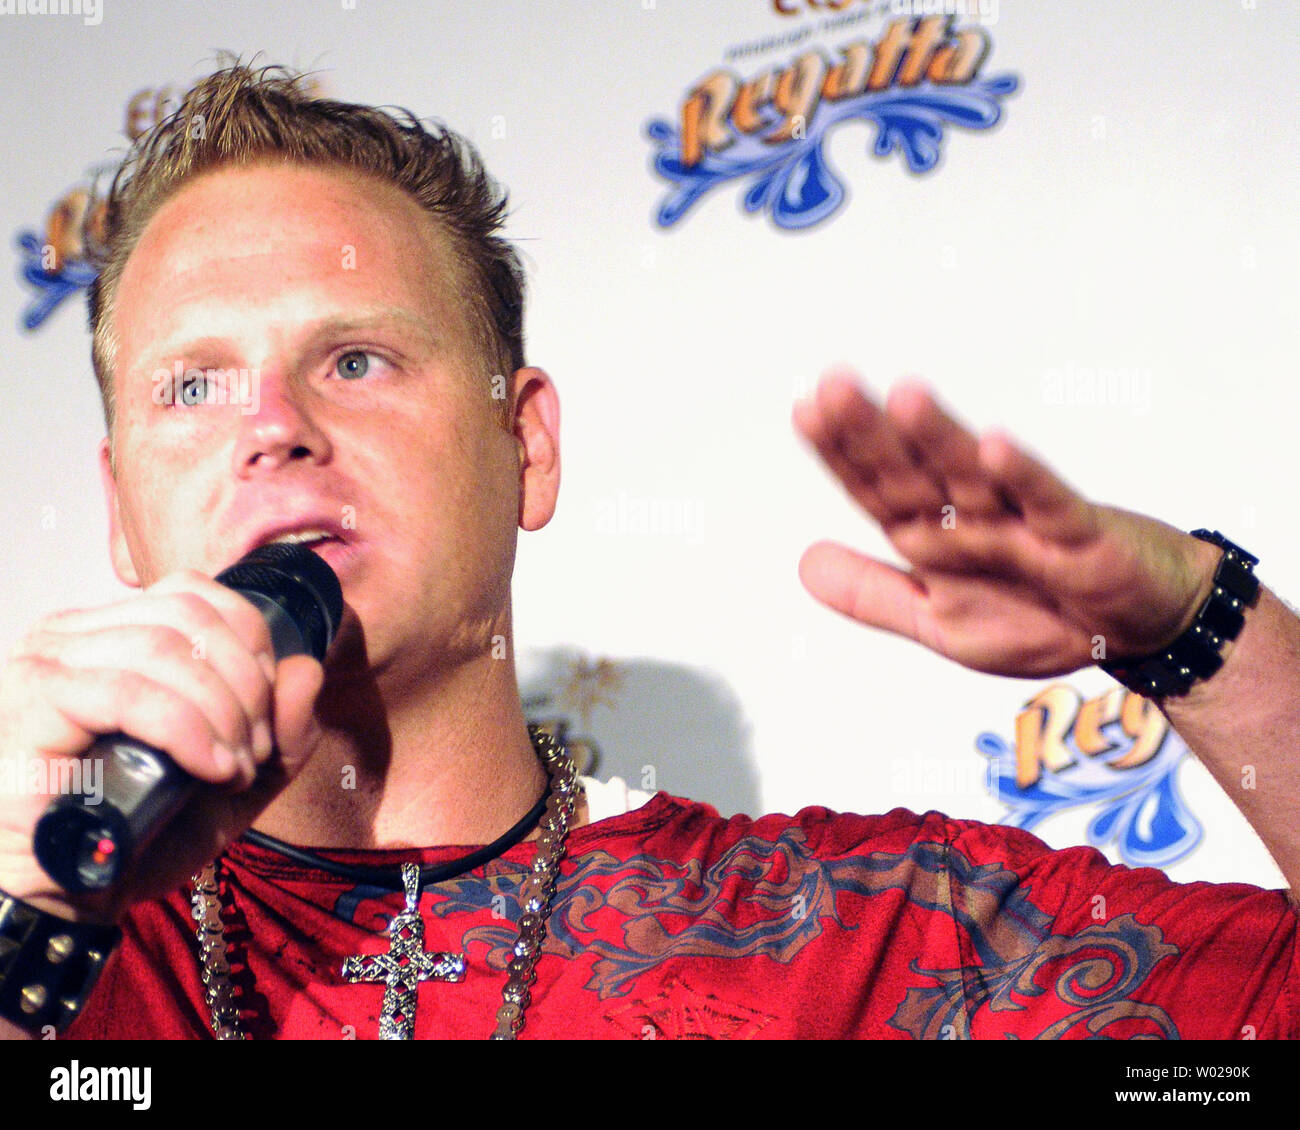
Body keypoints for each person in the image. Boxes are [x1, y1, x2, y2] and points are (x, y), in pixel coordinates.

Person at [0, 61, 1295, 1041]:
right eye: (193, 387)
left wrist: (1204, 633)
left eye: (356, 358)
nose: (275, 428)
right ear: (119, 507)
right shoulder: (48, 931)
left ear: (530, 447)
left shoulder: (871, 936)